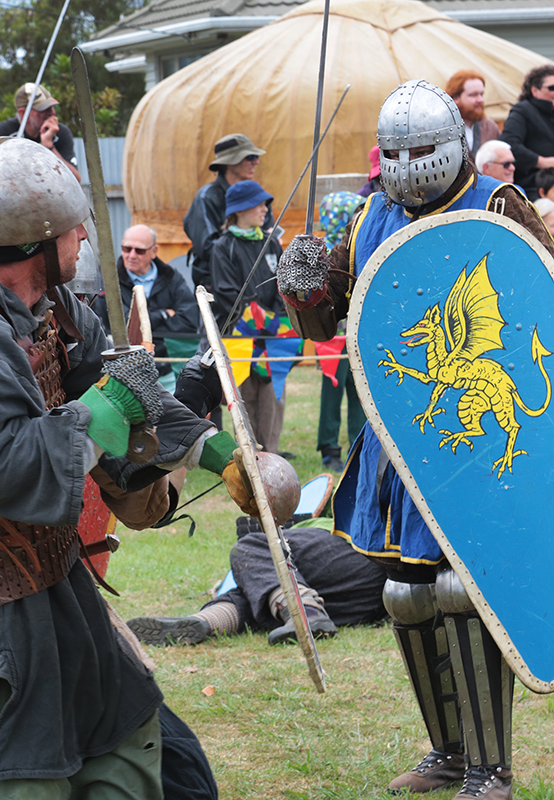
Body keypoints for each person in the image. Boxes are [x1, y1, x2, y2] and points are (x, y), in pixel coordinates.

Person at [0, 137, 262, 798]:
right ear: (37, 240)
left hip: (48, 571)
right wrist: (101, 411)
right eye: (74, 231)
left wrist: (217, 454)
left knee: (129, 735)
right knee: (21, 774)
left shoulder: (50, 307)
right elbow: (4, 472)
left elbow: (124, 390)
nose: (82, 240)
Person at [277, 79, 554, 800]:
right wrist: (303, 286)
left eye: (419, 149)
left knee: (461, 588)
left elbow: (539, 300)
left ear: (452, 145)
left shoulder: (496, 207)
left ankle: (490, 767)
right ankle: (448, 751)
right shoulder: (368, 215)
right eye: (394, 151)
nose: (408, 164)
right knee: (404, 592)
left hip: (479, 433)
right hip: (398, 434)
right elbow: (326, 324)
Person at [127, 514, 387, 647]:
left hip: (362, 553)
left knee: (253, 546)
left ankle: (305, 612)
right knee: (262, 595)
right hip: (371, 600)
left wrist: (287, 521)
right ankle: (203, 623)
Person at [211, 179, 286, 454]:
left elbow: (281, 285)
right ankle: (254, 462)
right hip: (240, 340)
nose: (265, 209)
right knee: (247, 403)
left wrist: (275, 320)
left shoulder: (271, 244)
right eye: (259, 203)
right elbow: (227, 294)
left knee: (273, 401)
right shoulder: (223, 247)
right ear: (240, 209)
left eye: (266, 203)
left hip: (272, 340)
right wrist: (258, 318)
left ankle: (272, 458)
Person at [93, 224, 199, 393]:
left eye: (139, 250)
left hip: (168, 373)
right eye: (126, 248)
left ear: (154, 251)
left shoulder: (173, 277)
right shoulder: (107, 282)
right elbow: (124, 326)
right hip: (122, 374)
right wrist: (164, 314)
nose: (131, 255)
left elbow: (190, 321)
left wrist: (145, 323)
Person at [316, 191, 367, 471]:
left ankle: (357, 443)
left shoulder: (358, 247)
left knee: (358, 389)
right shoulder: (326, 254)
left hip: (355, 334)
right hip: (333, 338)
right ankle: (329, 446)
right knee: (332, 389)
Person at [183, 133, 273, 288]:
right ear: (230, 162)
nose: (256, 162)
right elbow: (209, 249)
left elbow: (268, 237)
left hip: (257, 284)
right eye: (250, 157)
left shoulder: (258, 196)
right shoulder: (206, 197)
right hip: (219, 288)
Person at [0, 82, 81, 181]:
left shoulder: (60, 133)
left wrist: (49, 147)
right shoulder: (4, 133)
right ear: (24, 113)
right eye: (44, 109)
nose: (52, 112)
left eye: (52, 107)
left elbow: (75, 180)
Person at [501, 64, 554, 199]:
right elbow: (509, 143)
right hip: (533, 187)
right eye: (552, 88)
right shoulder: (523, 110)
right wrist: (541, 161)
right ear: (535, 91)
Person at [445, 70, 500, 159]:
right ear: (456, 98)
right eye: (473, 95)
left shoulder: (490, 127)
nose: (480, 100)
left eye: (481, 94)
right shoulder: (444, 128)